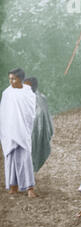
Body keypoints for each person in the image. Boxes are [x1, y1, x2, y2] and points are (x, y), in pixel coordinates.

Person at [0, 68, 37, 198]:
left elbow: (30, 113)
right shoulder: (7, 93)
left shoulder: (28, 93)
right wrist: (7, 128)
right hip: (10, 130)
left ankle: (29, 187)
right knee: (11, 157)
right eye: (9, 78)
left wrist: (22, 124)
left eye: (14, 78)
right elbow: (3, 113)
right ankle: (13, 185)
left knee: (25, 157)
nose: (11, 81)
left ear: (20, 79)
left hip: (23, 130)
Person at [23, 77, 54, 173]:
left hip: (36, 129)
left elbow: (43, 114)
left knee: (33, 148)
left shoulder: (41, 98)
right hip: (30, 128)